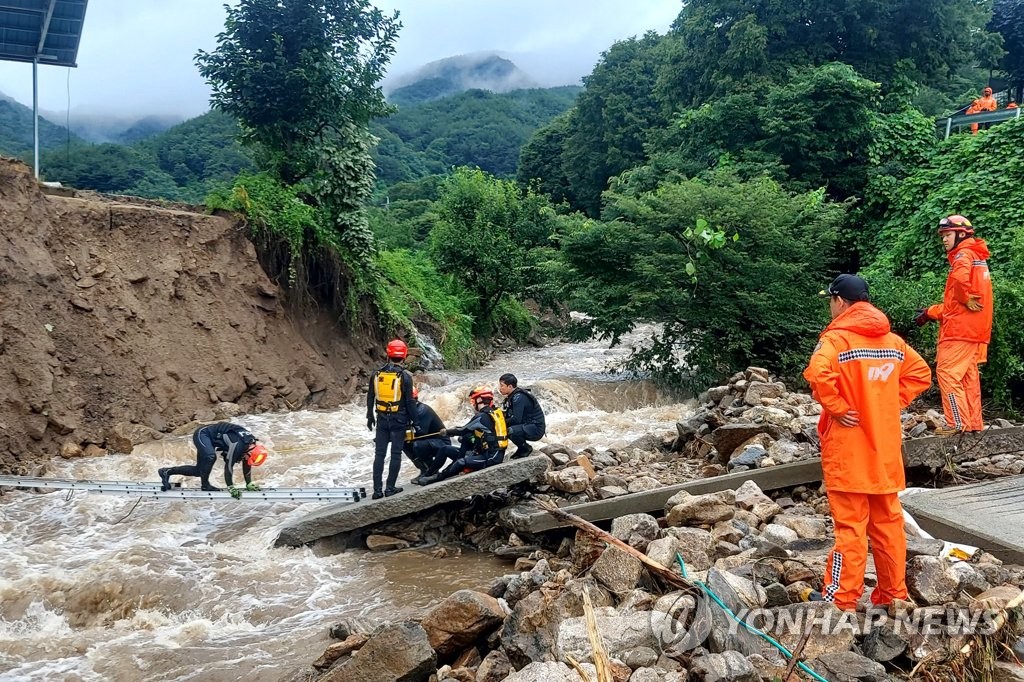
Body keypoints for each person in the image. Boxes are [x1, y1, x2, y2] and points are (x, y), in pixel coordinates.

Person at [804, 274, 932, 613]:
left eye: (830, 301)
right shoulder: (892, 340)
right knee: (888, 525)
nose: (830, 307)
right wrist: (889, 401)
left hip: (849, 451)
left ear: (840, 302)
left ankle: (841, 598)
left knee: (850, 528)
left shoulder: (836, 340)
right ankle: (894, 594)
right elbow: (921, 374)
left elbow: (817, 374)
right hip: (884, 453)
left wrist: (839, 407)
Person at [915, 215, 993, 435]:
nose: (944, 239)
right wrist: (931, 312)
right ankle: (973, 424)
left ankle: (956, 424)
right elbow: (954, 306)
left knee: (947, 373)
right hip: (974, 330)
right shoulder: (977, 256)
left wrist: (964, 296)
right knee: (968, 377)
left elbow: (959, 284)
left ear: (961, 234)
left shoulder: (963, 255)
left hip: (959, 331)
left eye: (947, 234)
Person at [418, 386, 508, 485]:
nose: (473, 404)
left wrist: (447, 432)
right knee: (445, 449)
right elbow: (469, 430)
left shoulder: (481, 416)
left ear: (479, 400)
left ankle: (437, 478)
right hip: (481, 452)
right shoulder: (493, 412)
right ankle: (428, 473)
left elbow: (462, 430)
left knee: (461, 462)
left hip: (491, 457)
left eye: (473, 401)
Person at [158, 422, 269, 497]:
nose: (245, 460)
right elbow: (229, 466)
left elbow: (247, 463)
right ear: (250, 452)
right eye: (247, 457)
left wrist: (248, 484)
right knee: (211, 457)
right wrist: (231, 487)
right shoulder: (238, 445)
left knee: (199, 471)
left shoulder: (251, 445)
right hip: (203, 434)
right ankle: (205, 485)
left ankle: (166, 472)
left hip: (212, 439)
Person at [366, 339, 416, 499]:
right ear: (404, 356)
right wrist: (415, 421)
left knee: (379, 454)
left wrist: (369, 415)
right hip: (399, 420)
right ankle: (390, 488)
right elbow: (409, 402)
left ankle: (377, 491)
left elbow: (370, 397)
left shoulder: (376, 374)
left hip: (381, 418)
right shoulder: (405, 377)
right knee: (395, 453)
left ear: (388, 354)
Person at [403, 386, 452, 485]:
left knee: (417, 445)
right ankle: (424, 469)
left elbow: (421, 433)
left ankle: (431, 470)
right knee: (404, 444)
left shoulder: (422, 410)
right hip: (428, 441)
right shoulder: (409, 411)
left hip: (441, 443)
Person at [498, 373, 546, 459]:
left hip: (536, 428)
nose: (500, 388)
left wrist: (500, 423)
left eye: (502, 386)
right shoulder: (513, 396)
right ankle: (521, 448)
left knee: (510, 430)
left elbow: (516, 419)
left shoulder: (519, 397)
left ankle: (525, 448)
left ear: (510, 386)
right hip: (528, 425)